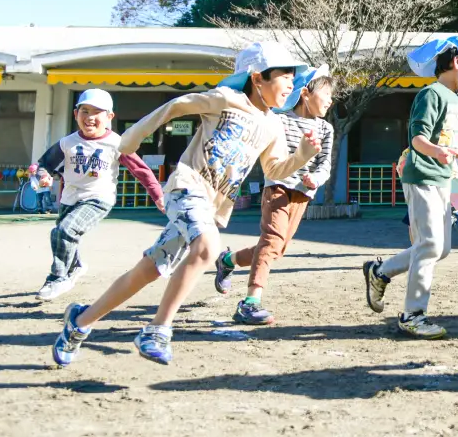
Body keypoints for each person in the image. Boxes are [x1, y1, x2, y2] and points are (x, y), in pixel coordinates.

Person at [51, 42, 321, 367]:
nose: (292, 84)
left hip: (213, 207)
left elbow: (275, 169)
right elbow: (177, 105)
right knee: (208, 248)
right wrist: (131, 139)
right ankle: (157, 331)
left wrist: (303, 156)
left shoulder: (273, 124)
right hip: (186, 187)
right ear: (257, 78)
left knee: (148, 270)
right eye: (284, 76)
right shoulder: (226, 99)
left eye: (294, 77)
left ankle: (80, 321)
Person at [361, 36, 458, 339]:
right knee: (431, 244)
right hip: (421, 176)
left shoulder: (456, 99)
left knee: (439, 248)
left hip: (442, 179)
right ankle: (412, 315)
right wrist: (436, 152)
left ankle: (379, 272)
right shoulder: (431, 94)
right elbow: (418, 139)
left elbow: (453, 143)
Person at [214, 66, 336, 325]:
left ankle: (228, 260)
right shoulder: (279, 119)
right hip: (278, 187)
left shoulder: (326, 129)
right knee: (271, 240)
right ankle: (250, 302)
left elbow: (324, 164)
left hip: (303, 193)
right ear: (305, 93)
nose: (330, 100)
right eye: (326, 93)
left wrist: (316, 179)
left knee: (275, 250)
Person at [34, 89, 164, 302]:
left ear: (109, 117)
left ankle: (58, 277)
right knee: (63, 235)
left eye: (97, 112)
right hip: (69, 197)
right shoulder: (67, 142)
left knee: (65, 231)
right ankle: (75, 266)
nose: (90, 117)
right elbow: (44, 165)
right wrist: (43, 176)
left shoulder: (117, 143)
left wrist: (157, 195)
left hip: (98, 197)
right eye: (84, 111)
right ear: (76, 114)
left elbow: (140, 170)